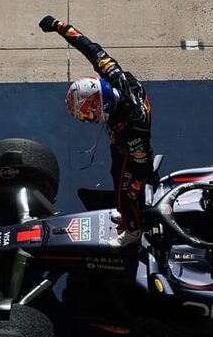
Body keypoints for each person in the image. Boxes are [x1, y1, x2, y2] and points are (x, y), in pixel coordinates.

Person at [39, 15, 154, 248]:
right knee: (116, 171)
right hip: (123, 139)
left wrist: (134, 190)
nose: (86, 119)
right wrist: (59, 26)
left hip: (134, 148)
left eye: (87, 114)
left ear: (100, 106)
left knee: (127, 191)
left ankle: (133, 231)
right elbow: (90, 48)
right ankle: (125, 210)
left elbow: (142, 165)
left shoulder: (133, 129)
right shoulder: (112, 73)